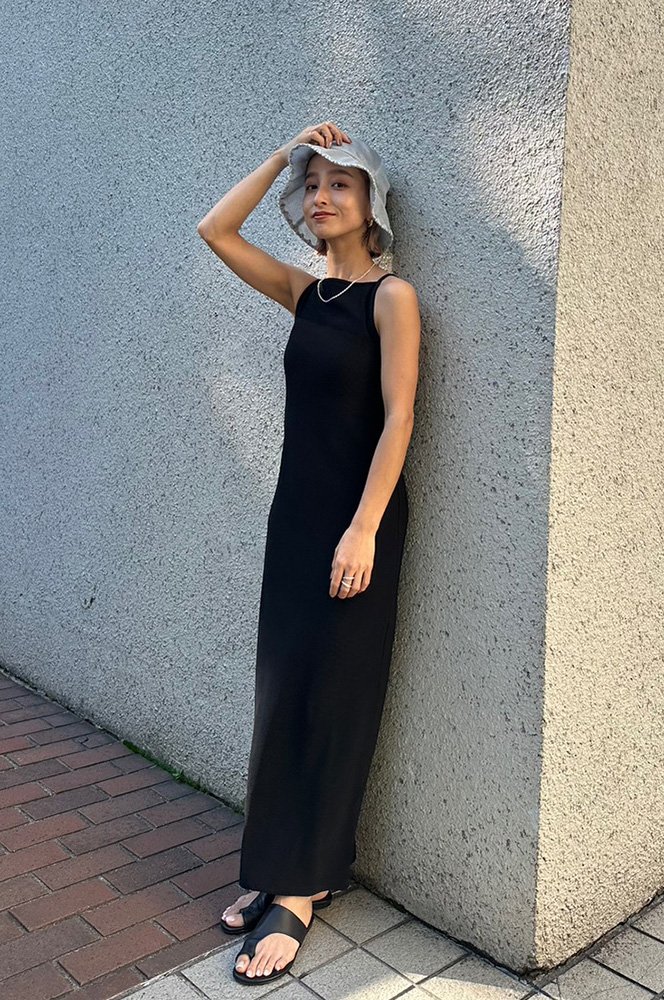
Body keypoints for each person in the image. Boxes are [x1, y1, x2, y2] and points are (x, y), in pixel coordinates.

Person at [197, 121, 420, 985]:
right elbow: (216, 229)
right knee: (285, 690)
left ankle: (301, 887)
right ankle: (284, 865)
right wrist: (280, 153)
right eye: (313, 184)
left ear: (372, 206)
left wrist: (363, 528)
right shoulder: (305, 293)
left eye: (341, 183)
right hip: (295, 520)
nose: (322, 196)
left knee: (334, 699)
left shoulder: (391, 298)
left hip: (358, 521)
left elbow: (399, 417)